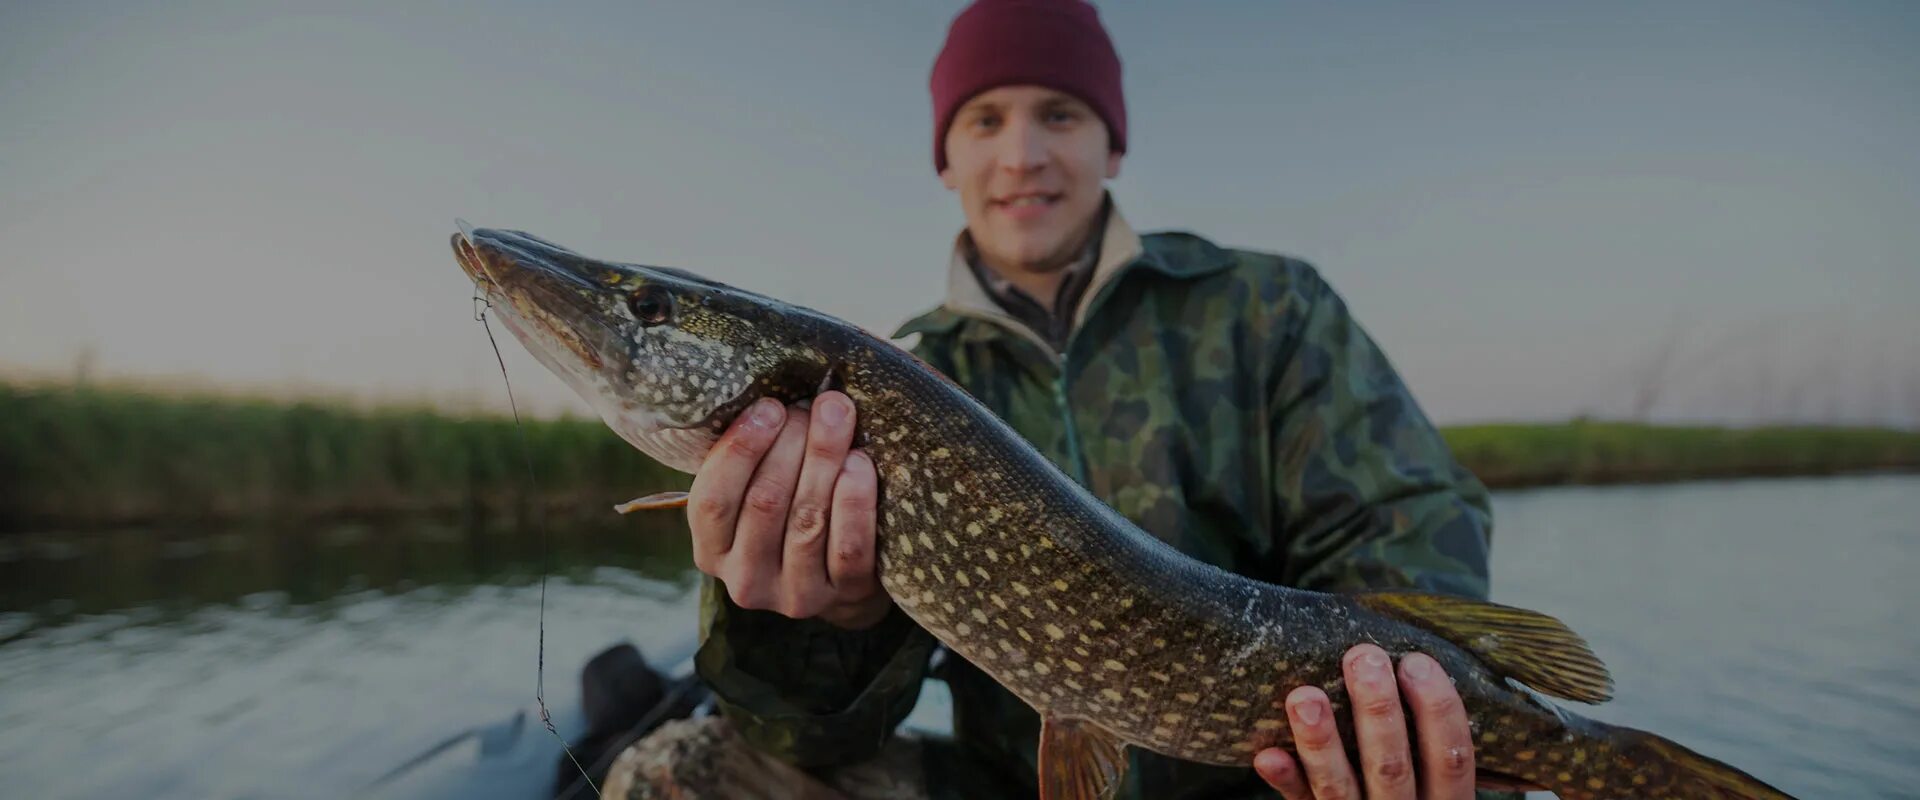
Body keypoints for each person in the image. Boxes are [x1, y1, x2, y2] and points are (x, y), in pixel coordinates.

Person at [613, 2, 1513, 798]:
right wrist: (820, 620)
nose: (1022, 154)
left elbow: (1407, 528)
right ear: (945, 157)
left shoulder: (1267, 311)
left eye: (1060, 114)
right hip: (1013, 777)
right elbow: (813, 737)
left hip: (1279, 782)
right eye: (984, 119)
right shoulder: (906, 375)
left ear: (1111, 142)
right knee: (675, 773)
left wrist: (1403, 714)